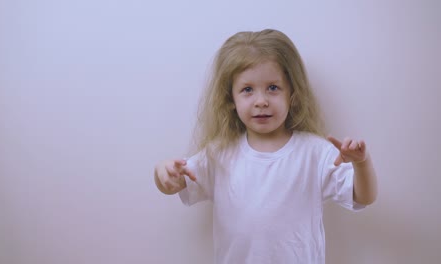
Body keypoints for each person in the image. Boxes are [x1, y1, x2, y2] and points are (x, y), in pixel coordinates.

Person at [154, 29, 378, 264]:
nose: (261, 101)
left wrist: (362, 163)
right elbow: (175, 183)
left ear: (292, 93)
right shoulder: (219, 154)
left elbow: (363, 196)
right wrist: (162, 171)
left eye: (272, 87)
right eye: (247, 90)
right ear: (231, 99)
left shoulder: (315, 152)